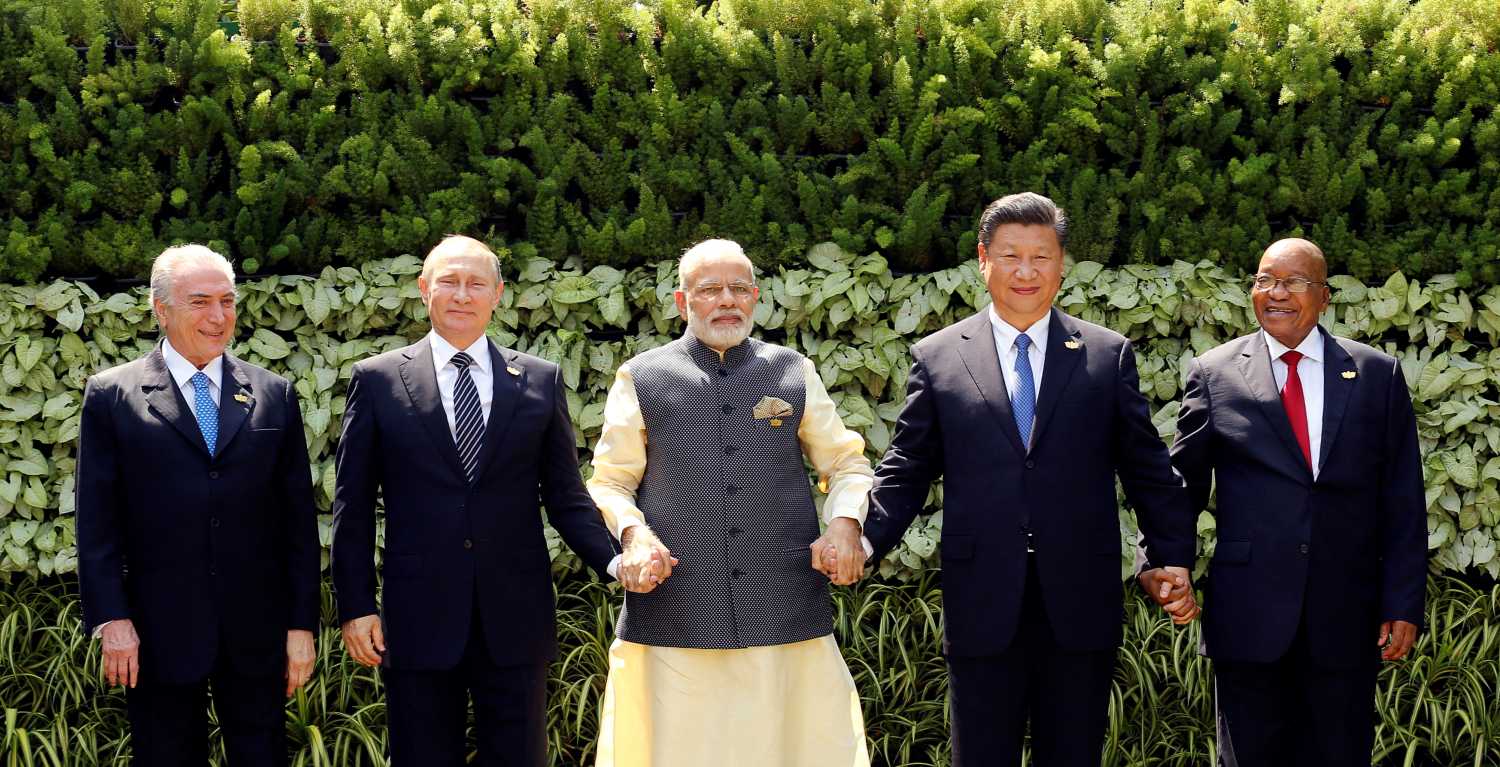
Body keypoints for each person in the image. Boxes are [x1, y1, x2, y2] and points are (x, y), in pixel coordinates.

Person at [863, 193, 1198, 766]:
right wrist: (863, 540)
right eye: (1010, 255)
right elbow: (908, 465)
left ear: (1061, 263)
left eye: (1040, 257)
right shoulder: (939, 355)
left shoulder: (1104, 353)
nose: (1025, 271)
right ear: (983, 260)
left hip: (1079, 598)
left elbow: (1146, 467)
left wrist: (1169, 555)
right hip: (982, 601)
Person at [330, 235, 618, 766]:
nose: (461, 295)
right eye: (449, 281)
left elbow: (566, 497)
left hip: (515, 620)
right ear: (424, 290)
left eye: (475, 283)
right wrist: (356, 606)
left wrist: (617, 562)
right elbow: (352, 506)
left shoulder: (539, 379)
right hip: (416, 620)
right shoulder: (377, 380)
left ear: (497, 294)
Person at [586, 238, 873, 767]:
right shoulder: (642, 376)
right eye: (710, 289)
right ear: (682, 301)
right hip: (675, 612)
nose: (727, 301)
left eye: (739, 289)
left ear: (756, 297)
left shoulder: (792, 370)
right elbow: (609, 481)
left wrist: (845, 525)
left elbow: (847, 465)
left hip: (783, 609)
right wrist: (634, 533)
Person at [1140, 237, 1426, 766]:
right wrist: (1160, 562)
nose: (1276, 293)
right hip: (1247, 617)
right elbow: (1181, 483)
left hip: (1346, 616)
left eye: (1293, 282)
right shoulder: (1215, 372)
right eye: (1265, 280)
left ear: (1323, 295)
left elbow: (1403, 496)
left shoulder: (1374, 375)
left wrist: (1402, 601)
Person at [76, 244, 321, 765]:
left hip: (257, 637)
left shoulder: (273, 393)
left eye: (228, 302)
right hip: (158, 634)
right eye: (200, 302)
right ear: (160, 309)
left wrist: (301, 626)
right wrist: (112, 620)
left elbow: (297, 521)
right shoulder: (112, 396)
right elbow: (98, 523)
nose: (218, 317)